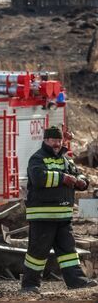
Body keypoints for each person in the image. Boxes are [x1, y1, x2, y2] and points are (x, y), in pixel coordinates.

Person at [22, 125, 98, 292]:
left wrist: (81, 181)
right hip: (43, 216)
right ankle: (30, 285)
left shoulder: (66, 159)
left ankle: (77, 282)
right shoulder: (38, 158)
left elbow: (79, 175)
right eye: (53, 140)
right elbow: (38, 179)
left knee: (68, 252)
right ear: (46, 140)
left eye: (59, 140)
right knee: (37, 253)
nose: (57, 143)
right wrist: (63, 178)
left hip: (63, 216)